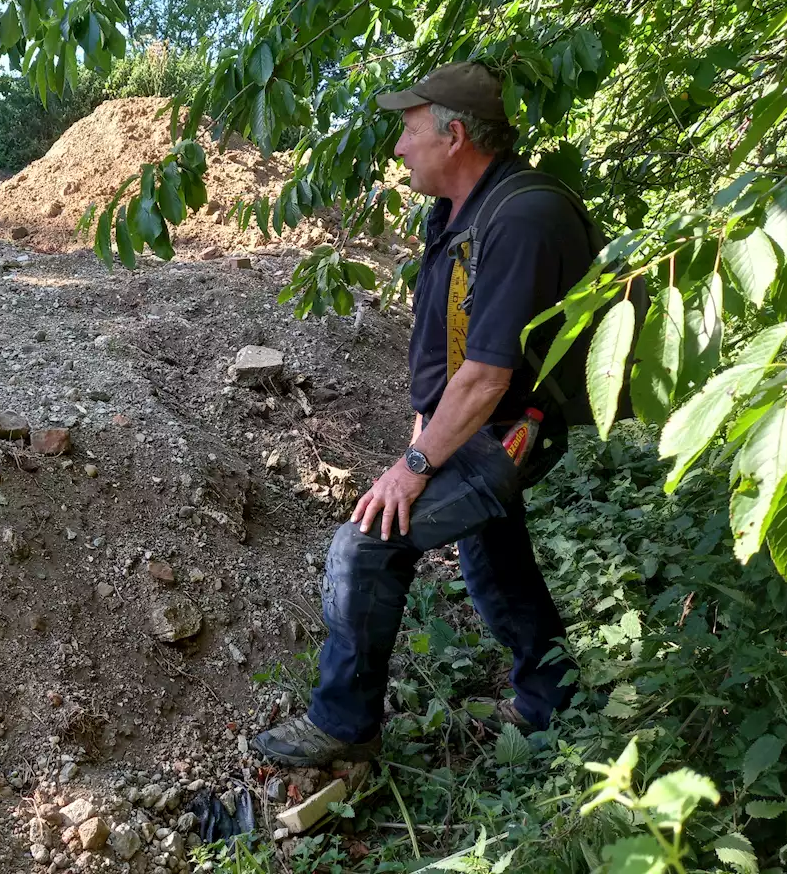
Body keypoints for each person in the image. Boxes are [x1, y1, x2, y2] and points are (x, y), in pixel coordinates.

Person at [252, 62, 594, 767]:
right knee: (490, 552)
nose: (399, 148)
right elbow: (450, 347)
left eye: (409, 131)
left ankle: (345, 729)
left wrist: (413, 469)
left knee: (368, 541)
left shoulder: (523, 217)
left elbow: (489, 374)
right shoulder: (459, 214)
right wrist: (420, 434)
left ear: (455, 135)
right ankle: (556, 701)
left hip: (519, 422)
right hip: (483, 414)